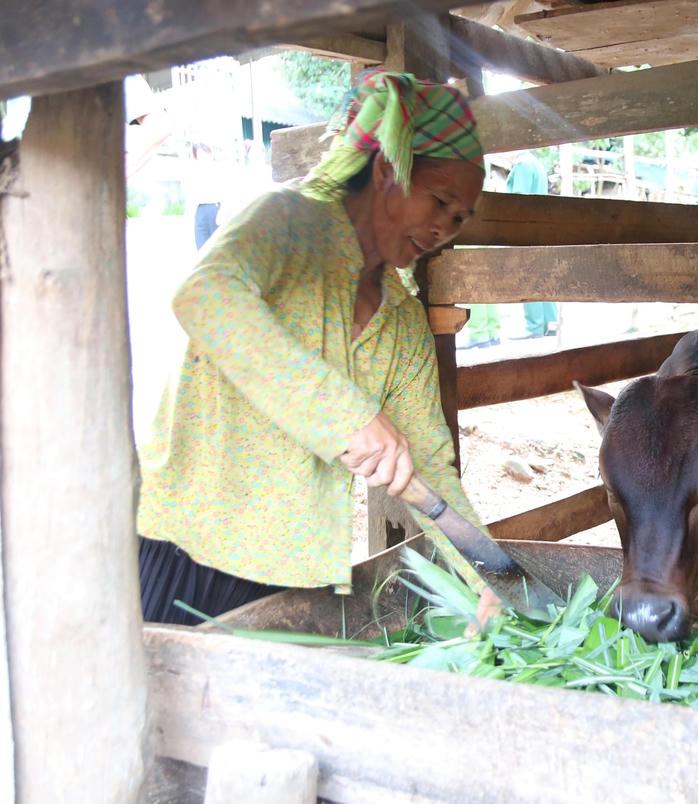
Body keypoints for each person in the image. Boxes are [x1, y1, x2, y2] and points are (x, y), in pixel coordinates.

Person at [137, 70, 498, 626]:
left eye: (458, 218)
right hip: (186, 545)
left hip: (288, 576)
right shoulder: (288, 219)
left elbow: (431, 465)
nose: (444, 227)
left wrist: (485, 578)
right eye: (441, 200)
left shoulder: (401, 320)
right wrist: (347, 417)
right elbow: (204, 295)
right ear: (386, 169)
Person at [506, 152, 559, 339]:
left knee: (529, 276)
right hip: (539, 229)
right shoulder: (536, 163)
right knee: (544, 276)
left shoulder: (522, 166)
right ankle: (551, 323)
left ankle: (534, 326)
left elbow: (517, 202)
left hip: (525, 232)